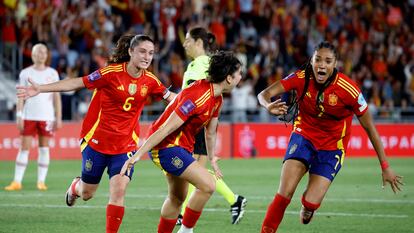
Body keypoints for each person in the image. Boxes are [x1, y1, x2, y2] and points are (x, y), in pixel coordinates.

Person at [16, 34, 175, 233]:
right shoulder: (110, 73)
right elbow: (77, 83)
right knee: (87, 193)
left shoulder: (151, 81)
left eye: (151, 53)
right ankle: (75, 187)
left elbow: (174, 100)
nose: (146, 57)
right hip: (97, 141)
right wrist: (41, 89)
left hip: (125, 145)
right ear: (130, 52)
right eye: (142, 51)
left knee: (119, 190)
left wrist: (196, 103)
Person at [257, 41, 404, 233]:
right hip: (304, 137)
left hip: (332, 147)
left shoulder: (349, 90)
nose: (322, 65)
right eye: (318, 59)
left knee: (311, 203)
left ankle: (308, 207)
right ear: (311, 61)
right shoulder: (301, 77)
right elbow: (264, 93)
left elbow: (370, 128)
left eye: (327, 61)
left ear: (335, 64)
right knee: (284, 193)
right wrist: (267, 105)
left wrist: (385, 166)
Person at [120, 51, 243, 233]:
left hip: (181, 148)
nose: (241, 77)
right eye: (239, 73)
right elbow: (166, 128)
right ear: (229, 78)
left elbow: (210, 132)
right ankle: (186, 231)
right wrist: (137, 155)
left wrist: (212, 158)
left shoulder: (217, 99)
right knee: (208, 184)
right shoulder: (197, 96)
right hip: (165, 147)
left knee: (177, 198)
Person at [178, 26, 247, 225]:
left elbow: (194, 95)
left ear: (199, 42)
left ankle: (184, 214)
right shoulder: (206, 62)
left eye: (188, 40)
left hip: (195, 124)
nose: (185, 44)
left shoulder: (198, 64)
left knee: (192, 171)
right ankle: (234, 200)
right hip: (202, 122)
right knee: (193, 171)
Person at [5, 43, 62, 191]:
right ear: (32, 54)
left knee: (44, 148)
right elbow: (20, 96)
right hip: (29, 115)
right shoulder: (25, 73)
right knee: (24, 148)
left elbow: (56, 96)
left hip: (47, 117)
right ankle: (17, 181)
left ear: (47, 55)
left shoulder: (53, 73)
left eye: (43, 51)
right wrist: (19, 114)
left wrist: (58, 116)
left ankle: (41, 182)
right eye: (37, 51)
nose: (41, 54)